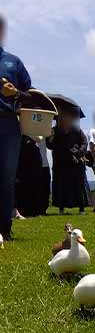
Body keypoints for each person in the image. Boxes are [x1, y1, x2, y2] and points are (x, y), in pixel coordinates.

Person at [0, 14, 32, 240]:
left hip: (8, 124)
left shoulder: (13, 62)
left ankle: (4, 228)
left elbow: (32, 97)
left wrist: (15, 93)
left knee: (7, 177)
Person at [47, 109, 89, 215]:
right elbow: (49, 146)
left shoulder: (76, 130)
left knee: (78, 185)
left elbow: (84, 142)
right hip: (60, 162)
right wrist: (51, 137)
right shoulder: (54, 130)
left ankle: (81, 208)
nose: (65, 120)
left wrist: (79, 153)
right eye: (62, 118)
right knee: (61, 186)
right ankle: (61, 208)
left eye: (67, 117)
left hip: (75, 162)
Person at [14, 135, 50, 217]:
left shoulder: (43, 127)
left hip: (39, 160)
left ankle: (37, 210)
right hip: (26, 157)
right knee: (26, 185)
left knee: (38, 186)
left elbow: (47, 142)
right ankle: (26, 210)